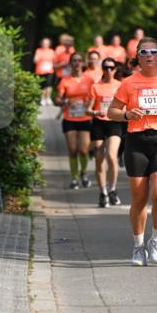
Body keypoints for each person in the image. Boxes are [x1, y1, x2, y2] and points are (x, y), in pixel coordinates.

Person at [107, 37, 157, 266]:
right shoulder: (129, 82)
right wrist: (125, 115)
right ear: (138, 56)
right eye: (144, 52)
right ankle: (138, 245)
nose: (149, 55)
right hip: (137, 142)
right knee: (139, 199)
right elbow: (112, 110)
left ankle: (156, 240)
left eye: (153, 51)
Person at [55, 52, 94, 189]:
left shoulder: (89, 80)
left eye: (79, 60)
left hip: (85, 118)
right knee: (72, 149)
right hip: (69, 118)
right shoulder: (65, 80)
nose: (77, 63)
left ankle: (83, 173)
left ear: (82, 63)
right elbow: (57, 100)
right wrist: (65, 101)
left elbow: (94, 97)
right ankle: (74, 177)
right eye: (74, 61)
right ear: (70, 64)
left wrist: (90, 104)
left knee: (83, 150)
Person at [88, 58, 123, 208]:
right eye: (105, 67)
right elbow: (87, 109)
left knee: (111, 156)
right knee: (99, 158)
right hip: (99, 123)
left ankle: (113, 189)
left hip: (114, 123)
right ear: (102, 69)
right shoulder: (96, 86)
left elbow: (126, 106)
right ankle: (103, 192)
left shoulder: (120, 86)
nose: (108, 70)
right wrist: (96, 112)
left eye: (111, 67)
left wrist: (123, 113)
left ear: (115, 70)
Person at [33, 37, 55, 106]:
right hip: (40, 71)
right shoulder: (39, 50)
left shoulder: (51, 51)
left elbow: (55, 61)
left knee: (48, 85)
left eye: (47, 43)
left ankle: (48, 97)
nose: (45, 44)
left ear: (49, 44)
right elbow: (35, 60)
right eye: (44, 43)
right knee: (42, 85)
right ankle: (42, 98)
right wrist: (41, 58)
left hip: (49, 71)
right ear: (41, 44)